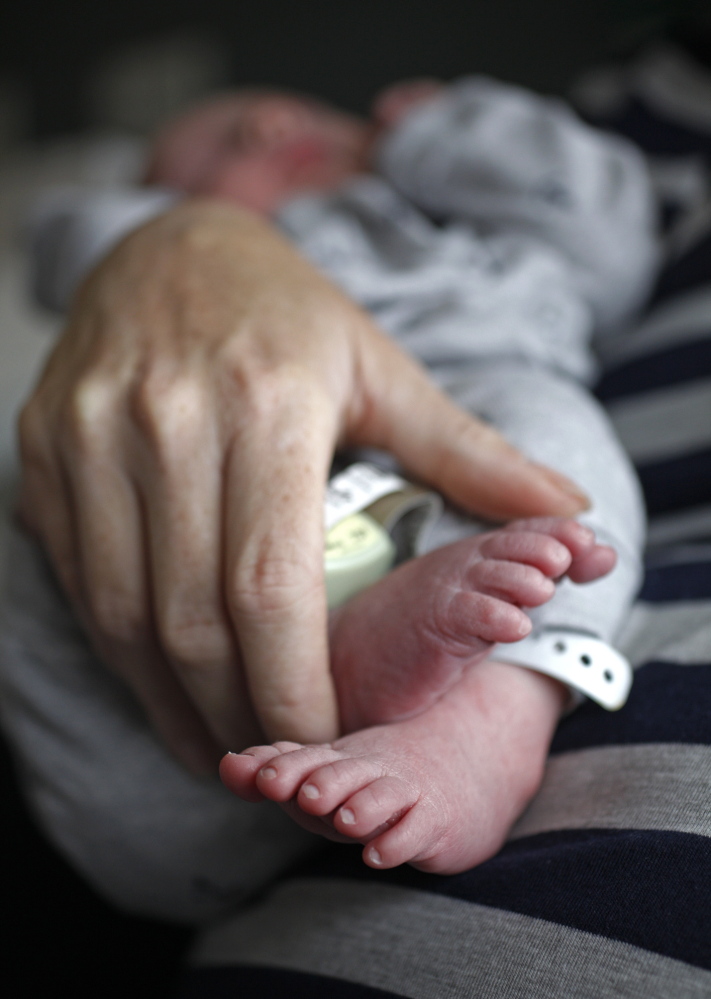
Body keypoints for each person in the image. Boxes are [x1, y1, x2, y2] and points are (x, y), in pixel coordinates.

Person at [0, 73, 653, 905]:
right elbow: (75, 249)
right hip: (217, 482)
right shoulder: (171, 273)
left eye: (291, 110)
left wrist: (443, 129)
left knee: (549, 456)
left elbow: (605, 229)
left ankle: (482, 720)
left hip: (451, 410)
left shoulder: (468, 244)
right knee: (50, 499)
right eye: (215, 150)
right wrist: (170, 235)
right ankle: (173, 831)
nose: (269, 123)